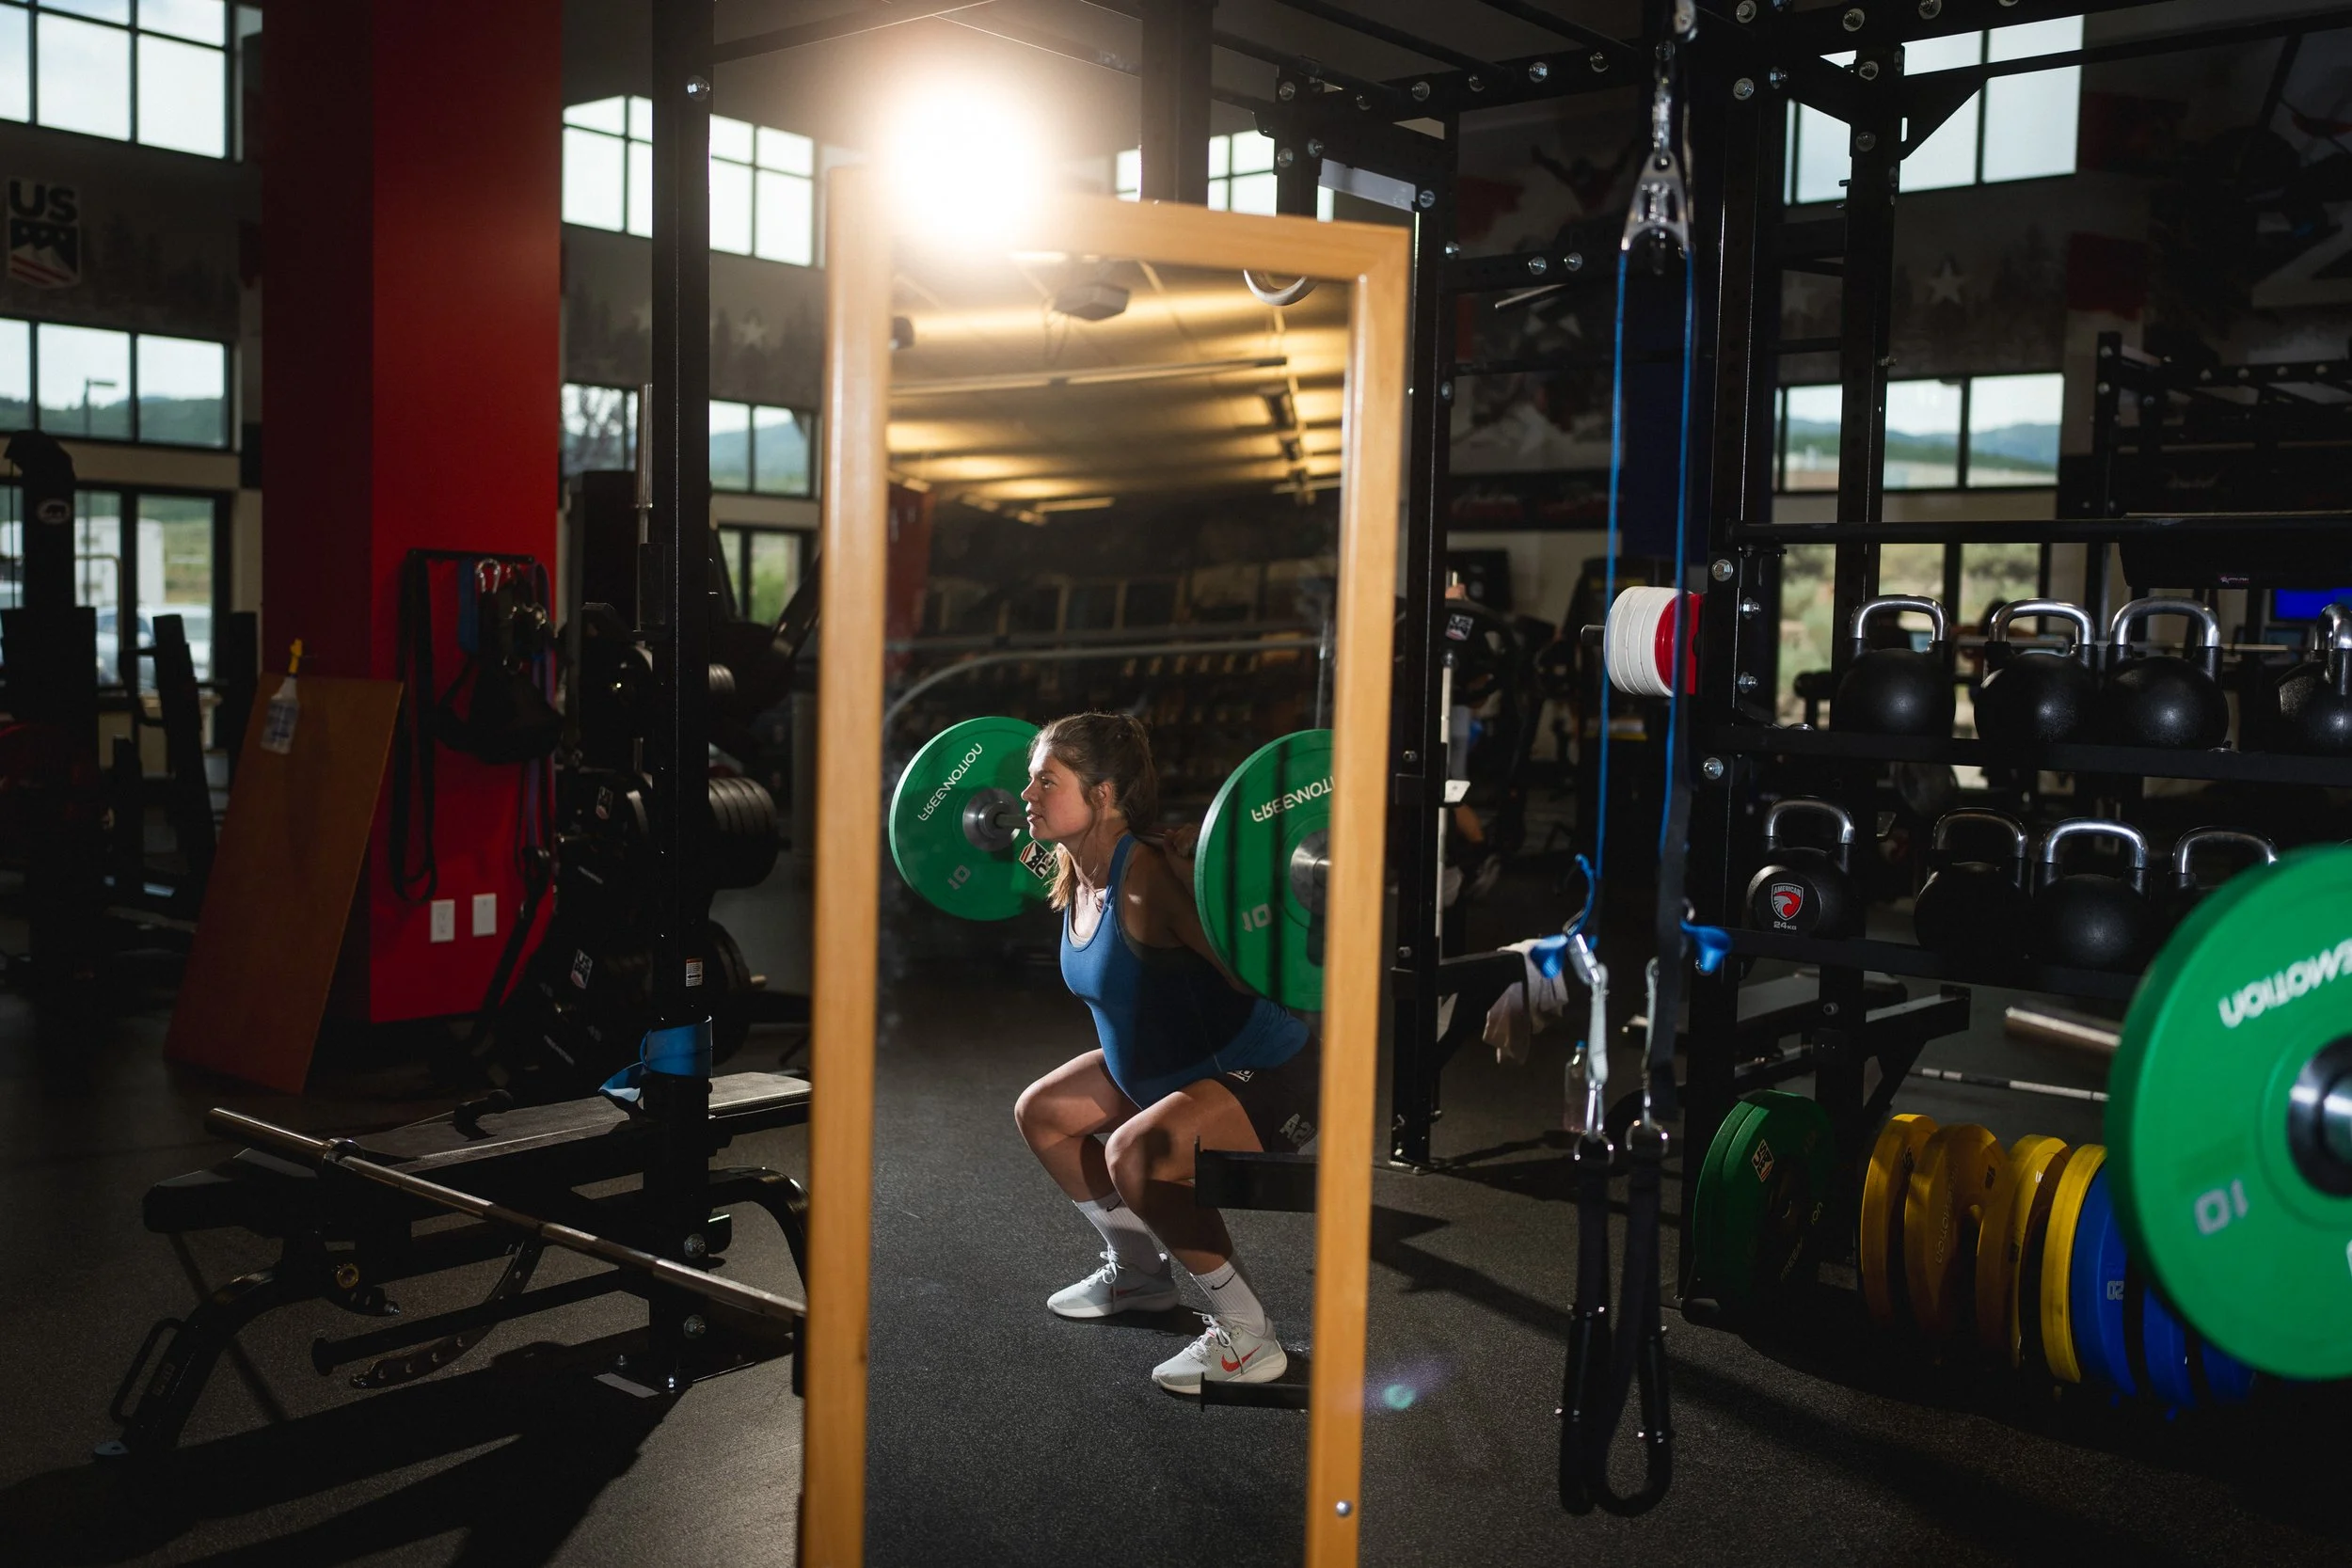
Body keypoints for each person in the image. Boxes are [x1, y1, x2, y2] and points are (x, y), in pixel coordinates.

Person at [1010, 712, 1320, 1395]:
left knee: (1135, 1153)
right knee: (1044, 1112)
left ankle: (1249, 1336)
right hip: (1166, 1065)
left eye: (1045, 781)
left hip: (1269, 1071)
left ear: (1101, 794)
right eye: (1030, 780)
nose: (1026, 794)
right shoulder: (1074, 872)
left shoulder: (1151, 878)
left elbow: (1258, 970)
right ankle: (1139, 1276)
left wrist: (1221, 879)